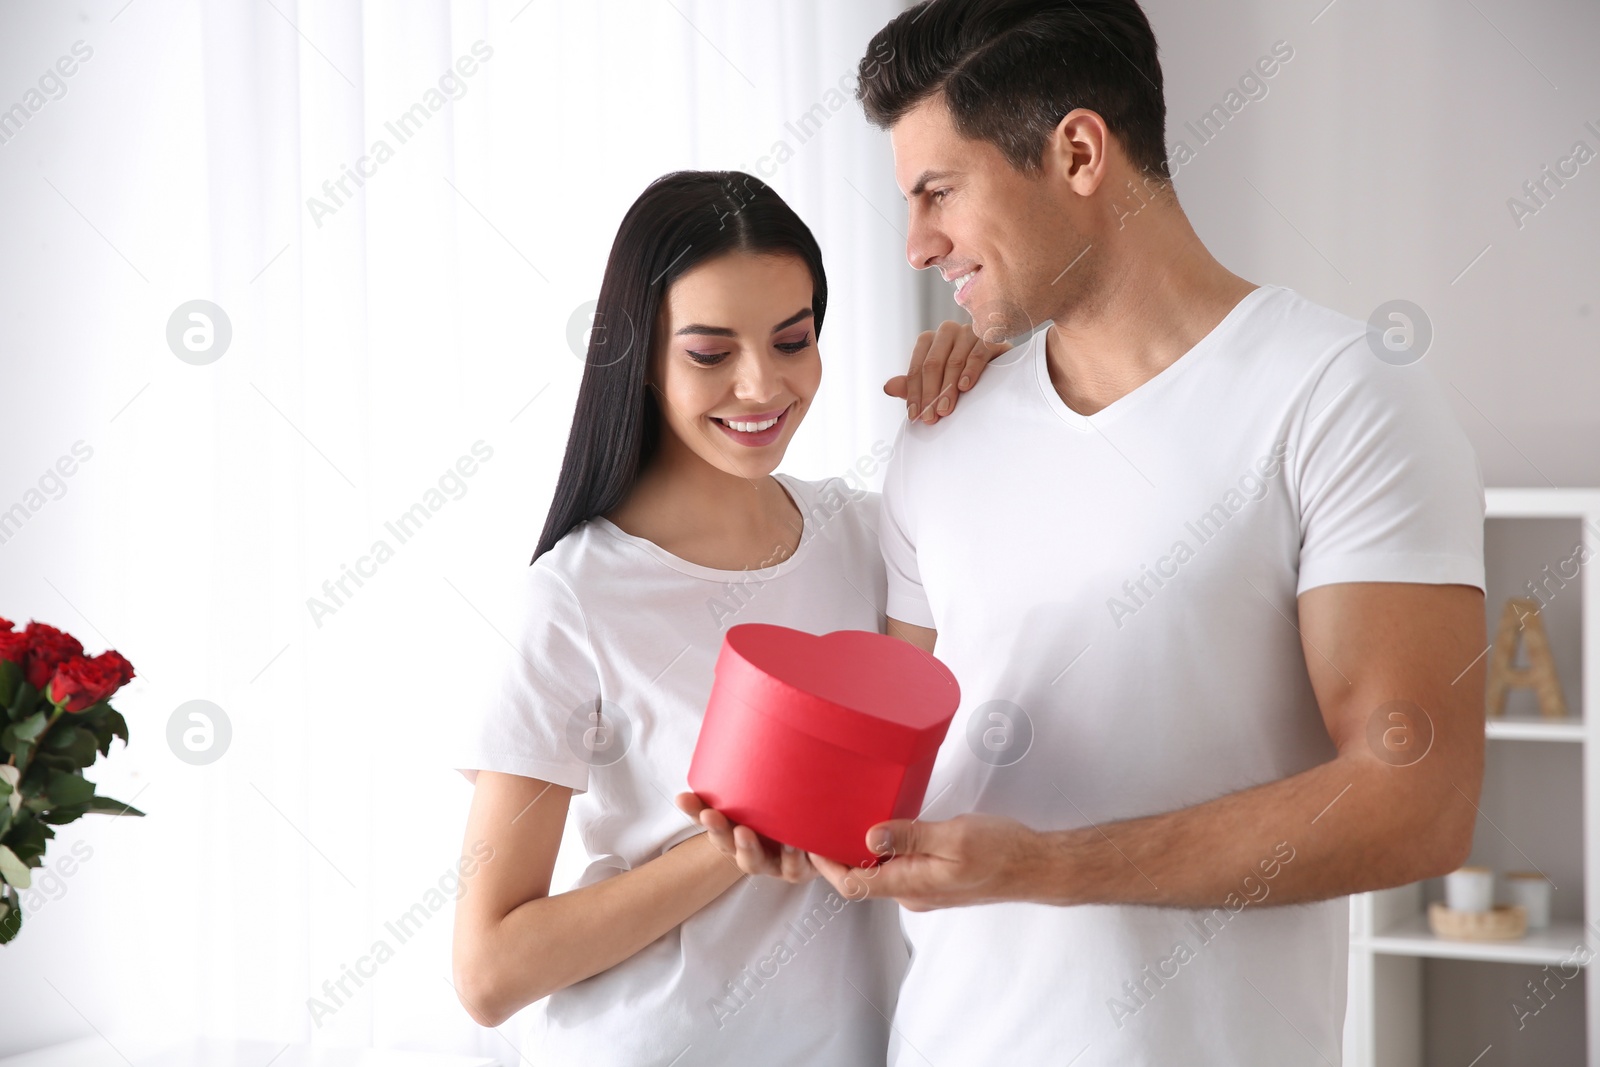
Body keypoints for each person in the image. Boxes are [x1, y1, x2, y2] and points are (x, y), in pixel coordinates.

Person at [703, 2, 1489, 1064]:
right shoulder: (944, 429)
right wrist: (788, 803)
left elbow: (1416, 799)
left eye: (939, 191)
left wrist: (1048, 866)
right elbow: (900, 753)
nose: (915, 242)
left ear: (1077, 151)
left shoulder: (1340, 396)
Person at [449, 169, 1003, 1065]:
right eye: (710, 353)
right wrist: (734, 838)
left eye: (793, 340)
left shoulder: (871, 533)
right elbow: (488, 970)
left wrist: (985, 393)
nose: (761, 385)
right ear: (641, 356)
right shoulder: (577, 594)